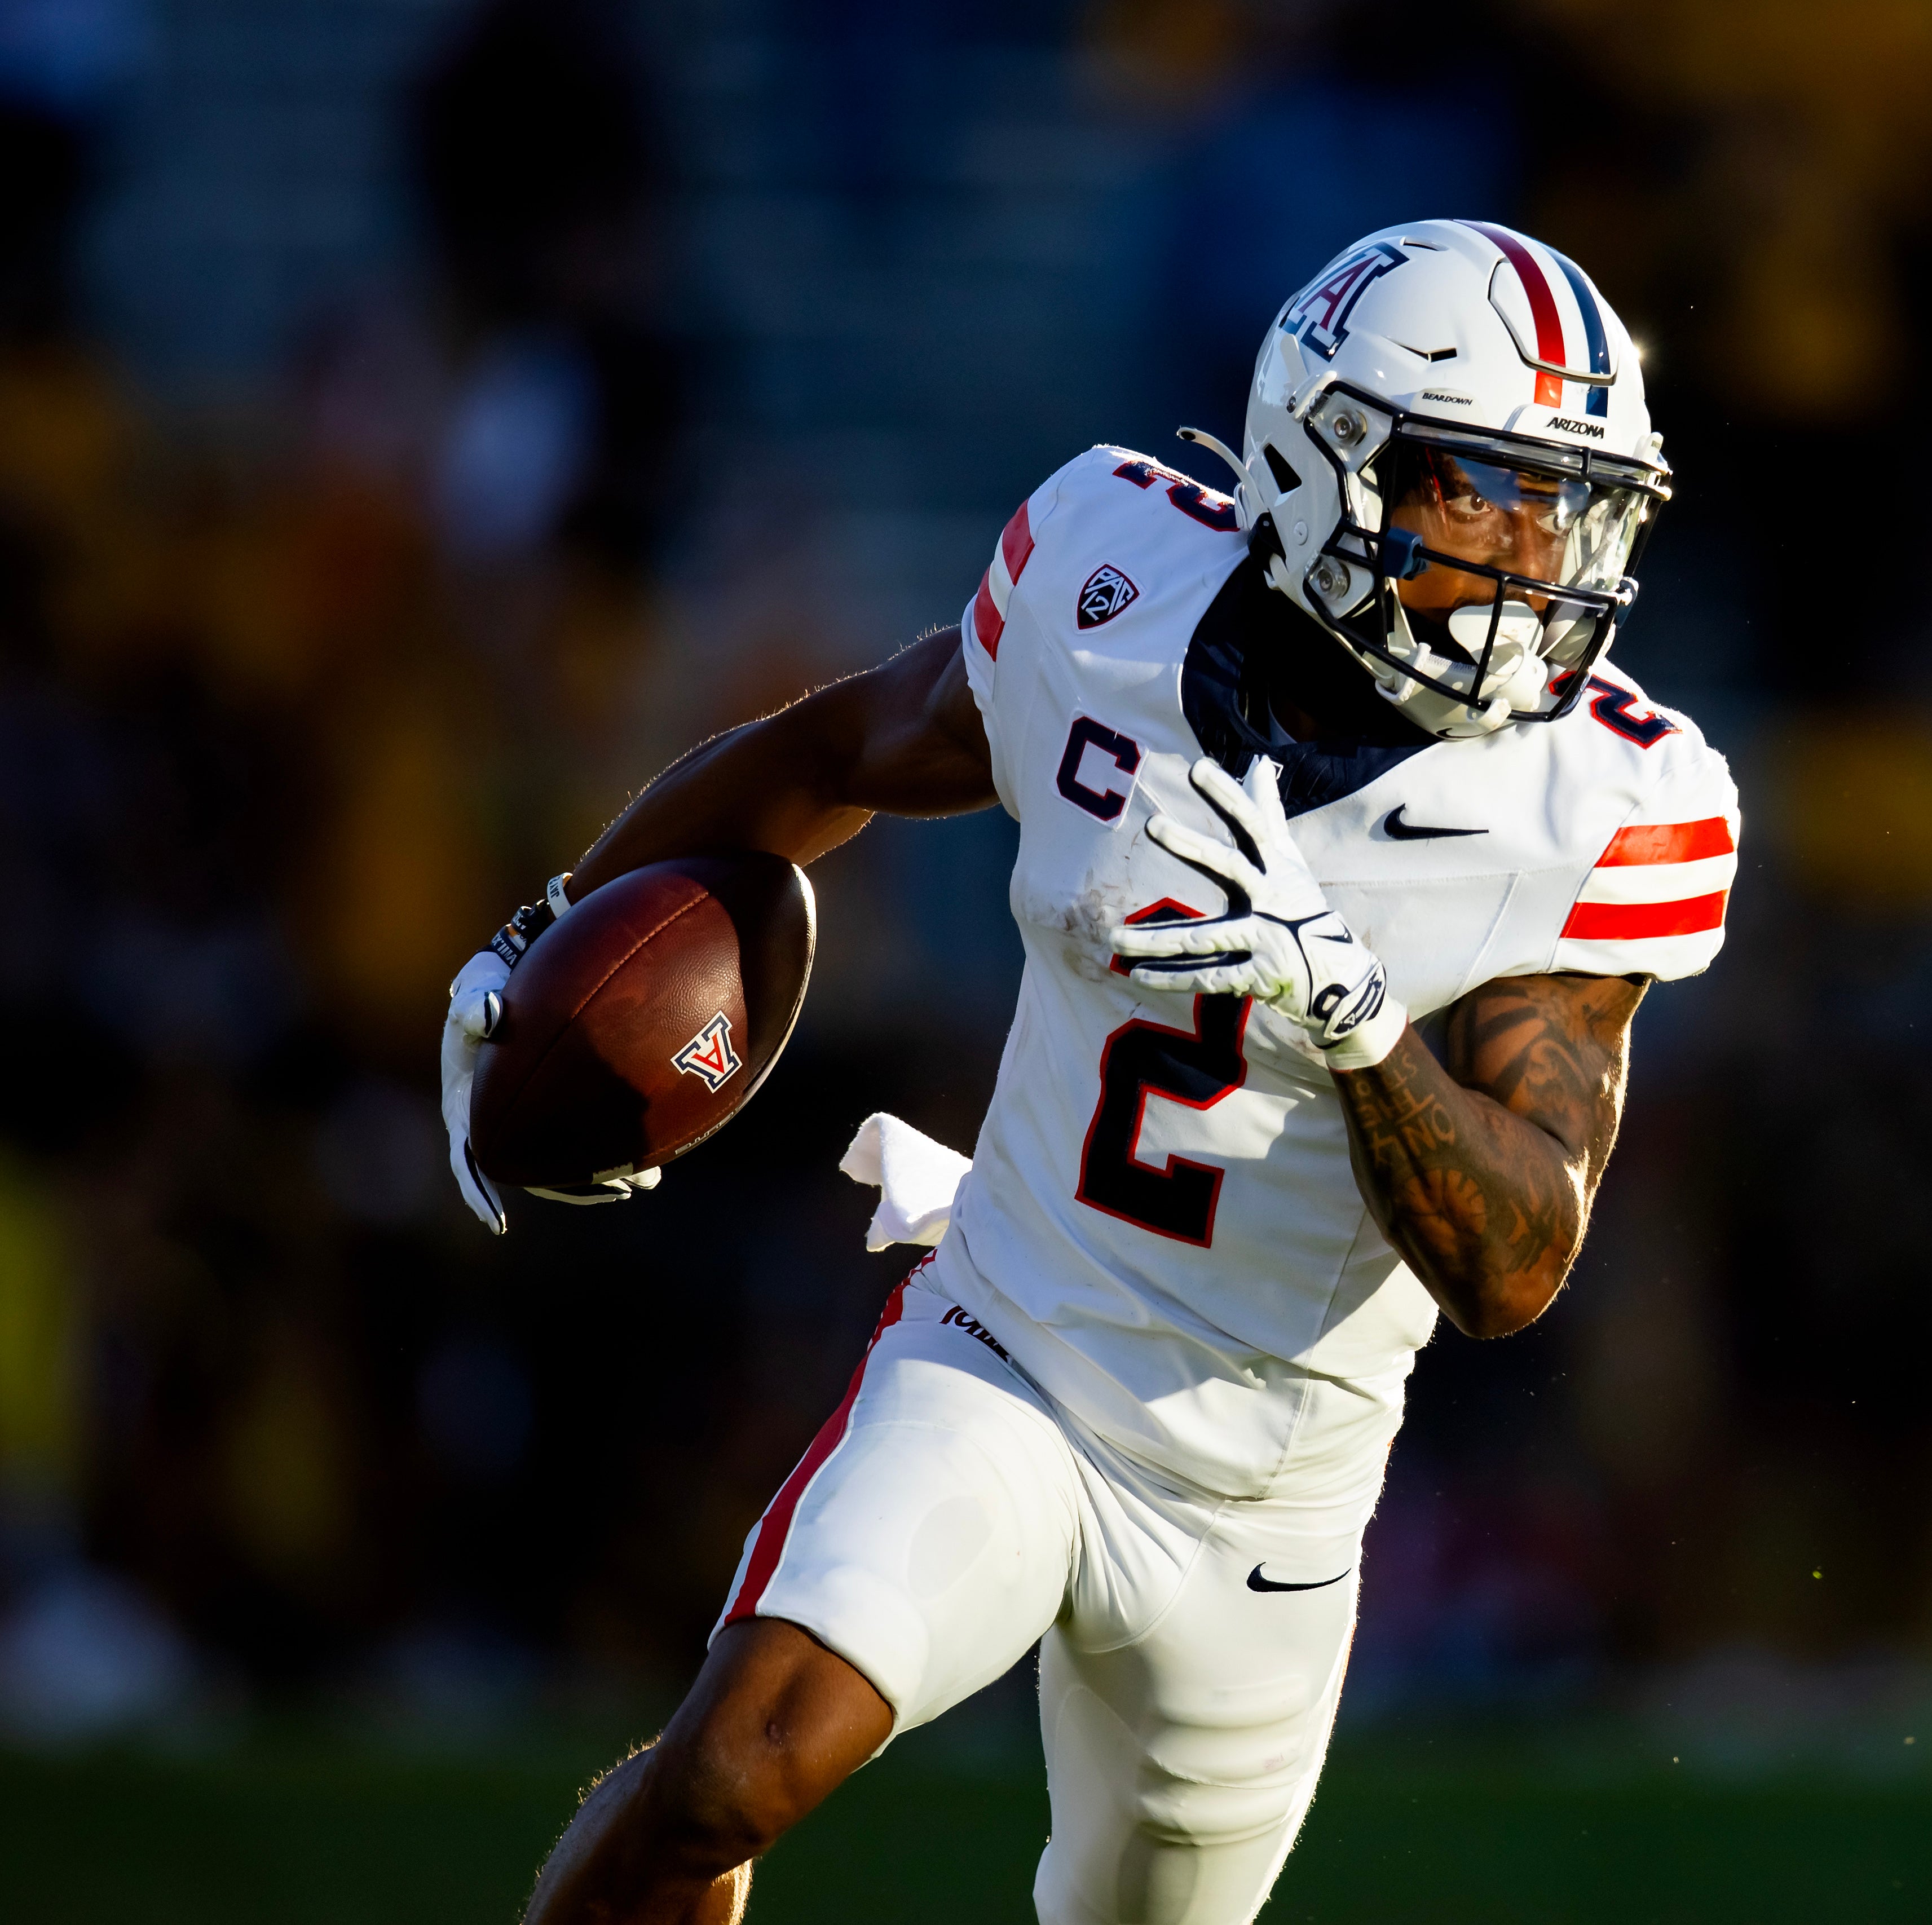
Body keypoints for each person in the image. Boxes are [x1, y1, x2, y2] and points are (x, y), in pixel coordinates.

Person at [442, 218, 1739, 1925]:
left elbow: (1519, 1260)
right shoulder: (1110, 580)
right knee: (733, 1768)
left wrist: (1353, 1020)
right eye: (1477, 488)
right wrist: (554, 931)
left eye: (1563, 500)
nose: (1533, 547)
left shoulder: (1591, 807)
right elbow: (840, 750)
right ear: (1324, 459)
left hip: (1275, 1481)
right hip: (1014, 1336)